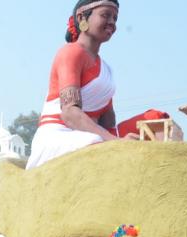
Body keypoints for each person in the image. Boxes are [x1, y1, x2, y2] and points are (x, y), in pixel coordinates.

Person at [26, 0, 138, 169]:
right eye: (105, 15)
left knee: (156, 120)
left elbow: (108, 123)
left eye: (115, 18)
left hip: (96, 136)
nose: (112, 23)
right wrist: (115, 142)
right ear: (81, 17)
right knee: (98, 144)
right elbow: (70, 114)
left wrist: (125, 137)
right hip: (60, 136)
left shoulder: (106, 69)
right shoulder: (70, 52)